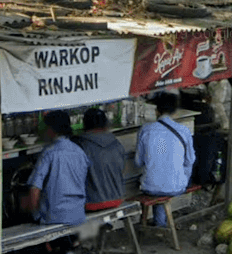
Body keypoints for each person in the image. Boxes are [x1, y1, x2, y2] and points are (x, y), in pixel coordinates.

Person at [12, 110, 90, 254]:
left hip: (56, 213)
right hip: (78, 211)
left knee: (26, 221)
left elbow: (34, 188)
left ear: (52, 130)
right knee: (54, 215)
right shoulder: (79, 151)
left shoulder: (50, 152)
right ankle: (68, 253)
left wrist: (34, 213)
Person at [135, 91, 196, 227]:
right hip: (178, 186)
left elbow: (138, 162)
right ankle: (160, 223)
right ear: (175, 112)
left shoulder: (145, 130)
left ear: (156, 111)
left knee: (154, 178)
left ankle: (159, 223)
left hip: (150, 187)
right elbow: (190, 160)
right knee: (165, 179)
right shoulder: (184, 130)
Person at [73, 107, 126, 210]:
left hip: (90, 203)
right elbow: (123, 169)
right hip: (117, 198)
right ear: (105, 123)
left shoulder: (80, 145)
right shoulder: (117, 143)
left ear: (85, 124)